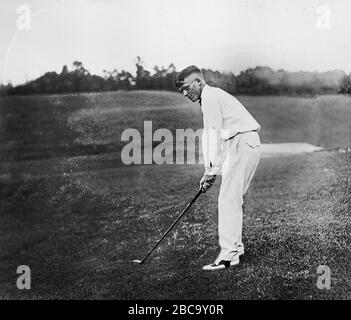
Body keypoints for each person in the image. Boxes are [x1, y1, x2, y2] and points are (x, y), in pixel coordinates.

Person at [175, 66, 261, 270]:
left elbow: (212, 135)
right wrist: (211, 171)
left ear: (199, 82)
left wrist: (211, 171)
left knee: (228, 198)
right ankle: (235, 248)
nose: (186, 94)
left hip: (242, 142)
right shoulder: (212, 96)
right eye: (182, 91)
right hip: (245, 143)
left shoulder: (210, 97)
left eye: (187, 88)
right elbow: (222, 140)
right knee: (233, 198)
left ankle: (228, 256)